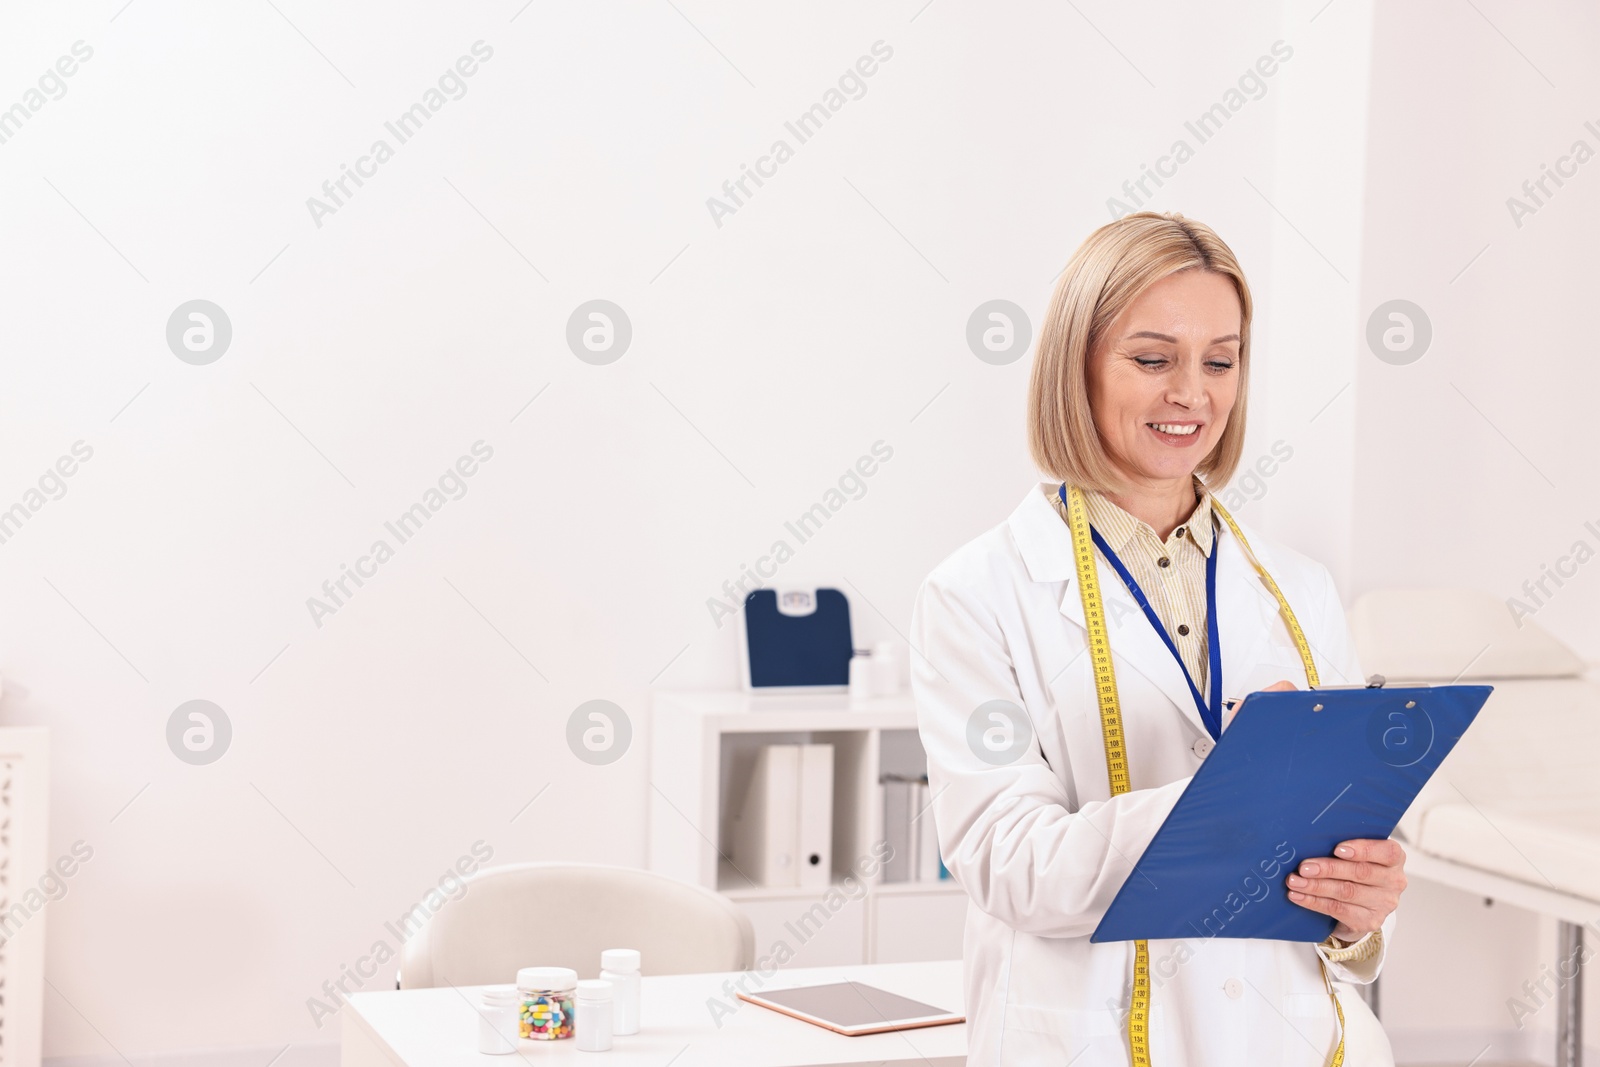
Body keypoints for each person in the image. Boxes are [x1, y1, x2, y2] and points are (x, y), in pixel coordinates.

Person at [910, 212, 1404, 1066]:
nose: (1194, 392)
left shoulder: (1301, 591)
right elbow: (1009, 861)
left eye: (1221, 359)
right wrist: (1228, 795)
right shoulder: (976, 594)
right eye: (1152, 359)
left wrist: (1360, 910)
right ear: (1078, 367)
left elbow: (1340, 852)